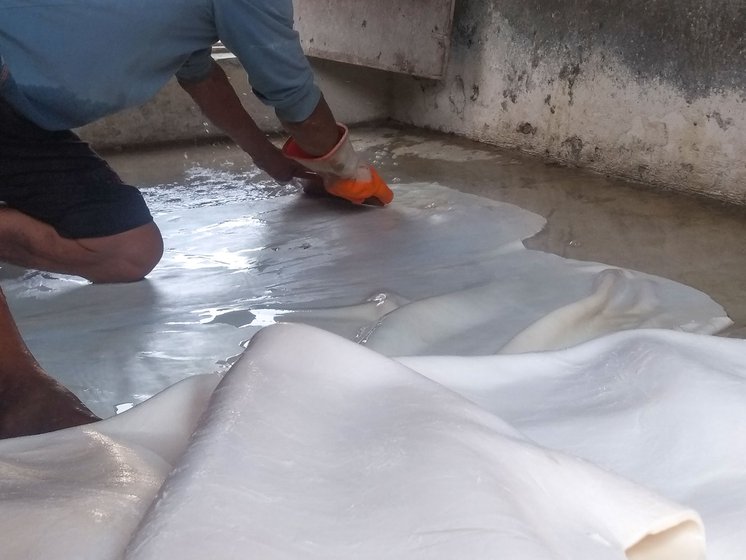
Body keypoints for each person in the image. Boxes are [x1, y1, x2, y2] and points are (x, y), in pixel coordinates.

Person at [0, 1, 393, 438]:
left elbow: (201, 75)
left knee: (130, 251)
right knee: (16, 391)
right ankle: (13, 389)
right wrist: (349, 172)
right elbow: (297, 102)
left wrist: (273, 162)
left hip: (23, 121)